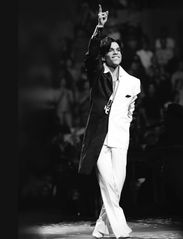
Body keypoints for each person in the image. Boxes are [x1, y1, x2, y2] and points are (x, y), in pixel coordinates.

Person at [78, 4, 141, 239]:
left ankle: (100, 228)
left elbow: (131, 109)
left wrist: (125, 124)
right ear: (104, 56)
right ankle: (121, 231)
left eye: (118, 50)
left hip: (120, 139)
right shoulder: (97, 74)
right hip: (99, 139)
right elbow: (90, 55)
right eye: (111, 50)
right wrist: (99, 27)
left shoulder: (133, 82)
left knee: (116, 188)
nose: (116, 52)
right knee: (107, 185)